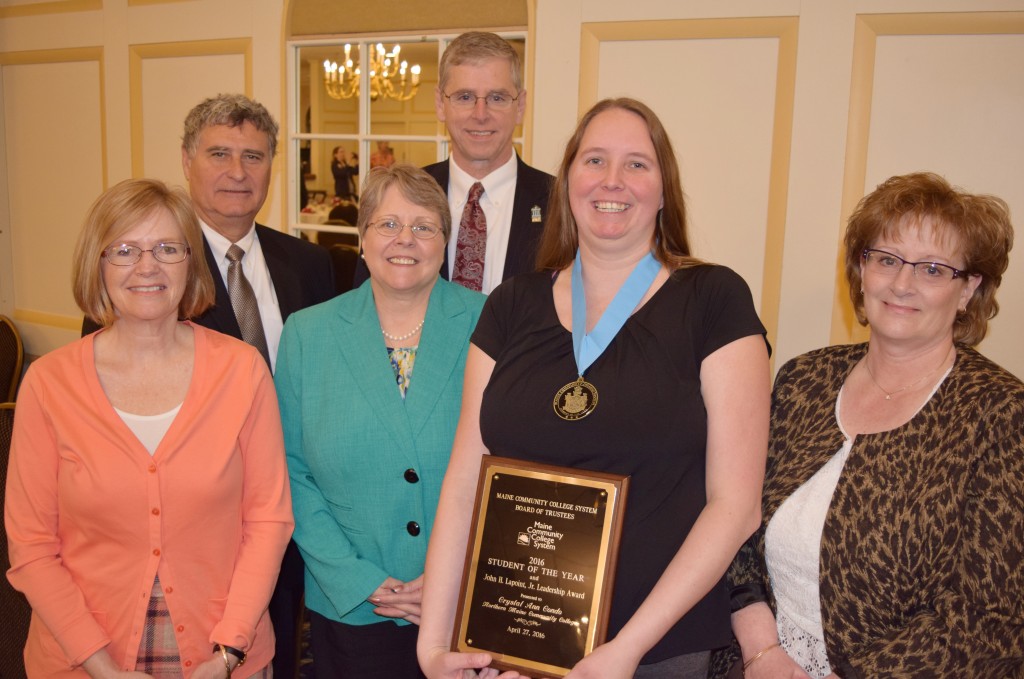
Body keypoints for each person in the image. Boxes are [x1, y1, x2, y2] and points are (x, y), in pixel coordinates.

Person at [418, 97, 771, 679]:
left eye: (637, 164)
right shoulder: (511, 305)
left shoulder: (714, 300)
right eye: (595, 161)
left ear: (664, 189)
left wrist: (623, 652)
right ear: (566, 182)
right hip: (512, 645)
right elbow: (464, 482)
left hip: (654, 652)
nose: (613, 181)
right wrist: (433, 645)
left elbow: (735, 506)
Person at [717, 172, 1024, 678]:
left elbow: (987, 618)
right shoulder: (803, 379)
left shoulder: (1000, 414)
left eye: (931, 269)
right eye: (885, 259)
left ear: (969, 289)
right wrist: (761, 652)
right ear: (861, 271)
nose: (902, 284)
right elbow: (739, 525)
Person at [5, 178, 293, 678]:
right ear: (97, 264)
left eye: (167, 248)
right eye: (124, 250)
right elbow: (31, 545)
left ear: (190, 261)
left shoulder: (242, 371)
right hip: (81, 657)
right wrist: (101, 666)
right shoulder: (49, 384)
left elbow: (268, 522)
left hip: (223, 651)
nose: (147, 267)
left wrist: (228, 653)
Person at [275, 164, 486, 678]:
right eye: (388, 224)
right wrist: (359, 580)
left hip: (466, 606)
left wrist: (452, 576)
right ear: (363, 237)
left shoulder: (492, 321)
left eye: (423, 226)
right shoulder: (307, 334)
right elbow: (287, 471)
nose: (405, 240)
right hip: (352, 607)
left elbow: (513, 462)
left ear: (445, 241)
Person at [354, 32, 553, 292]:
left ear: (520, 106)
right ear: (440, 104)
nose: (480, 115)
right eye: (465, 97)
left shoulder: (561, 204)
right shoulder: (396, 197)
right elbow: (363, 305)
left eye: (497, 98)